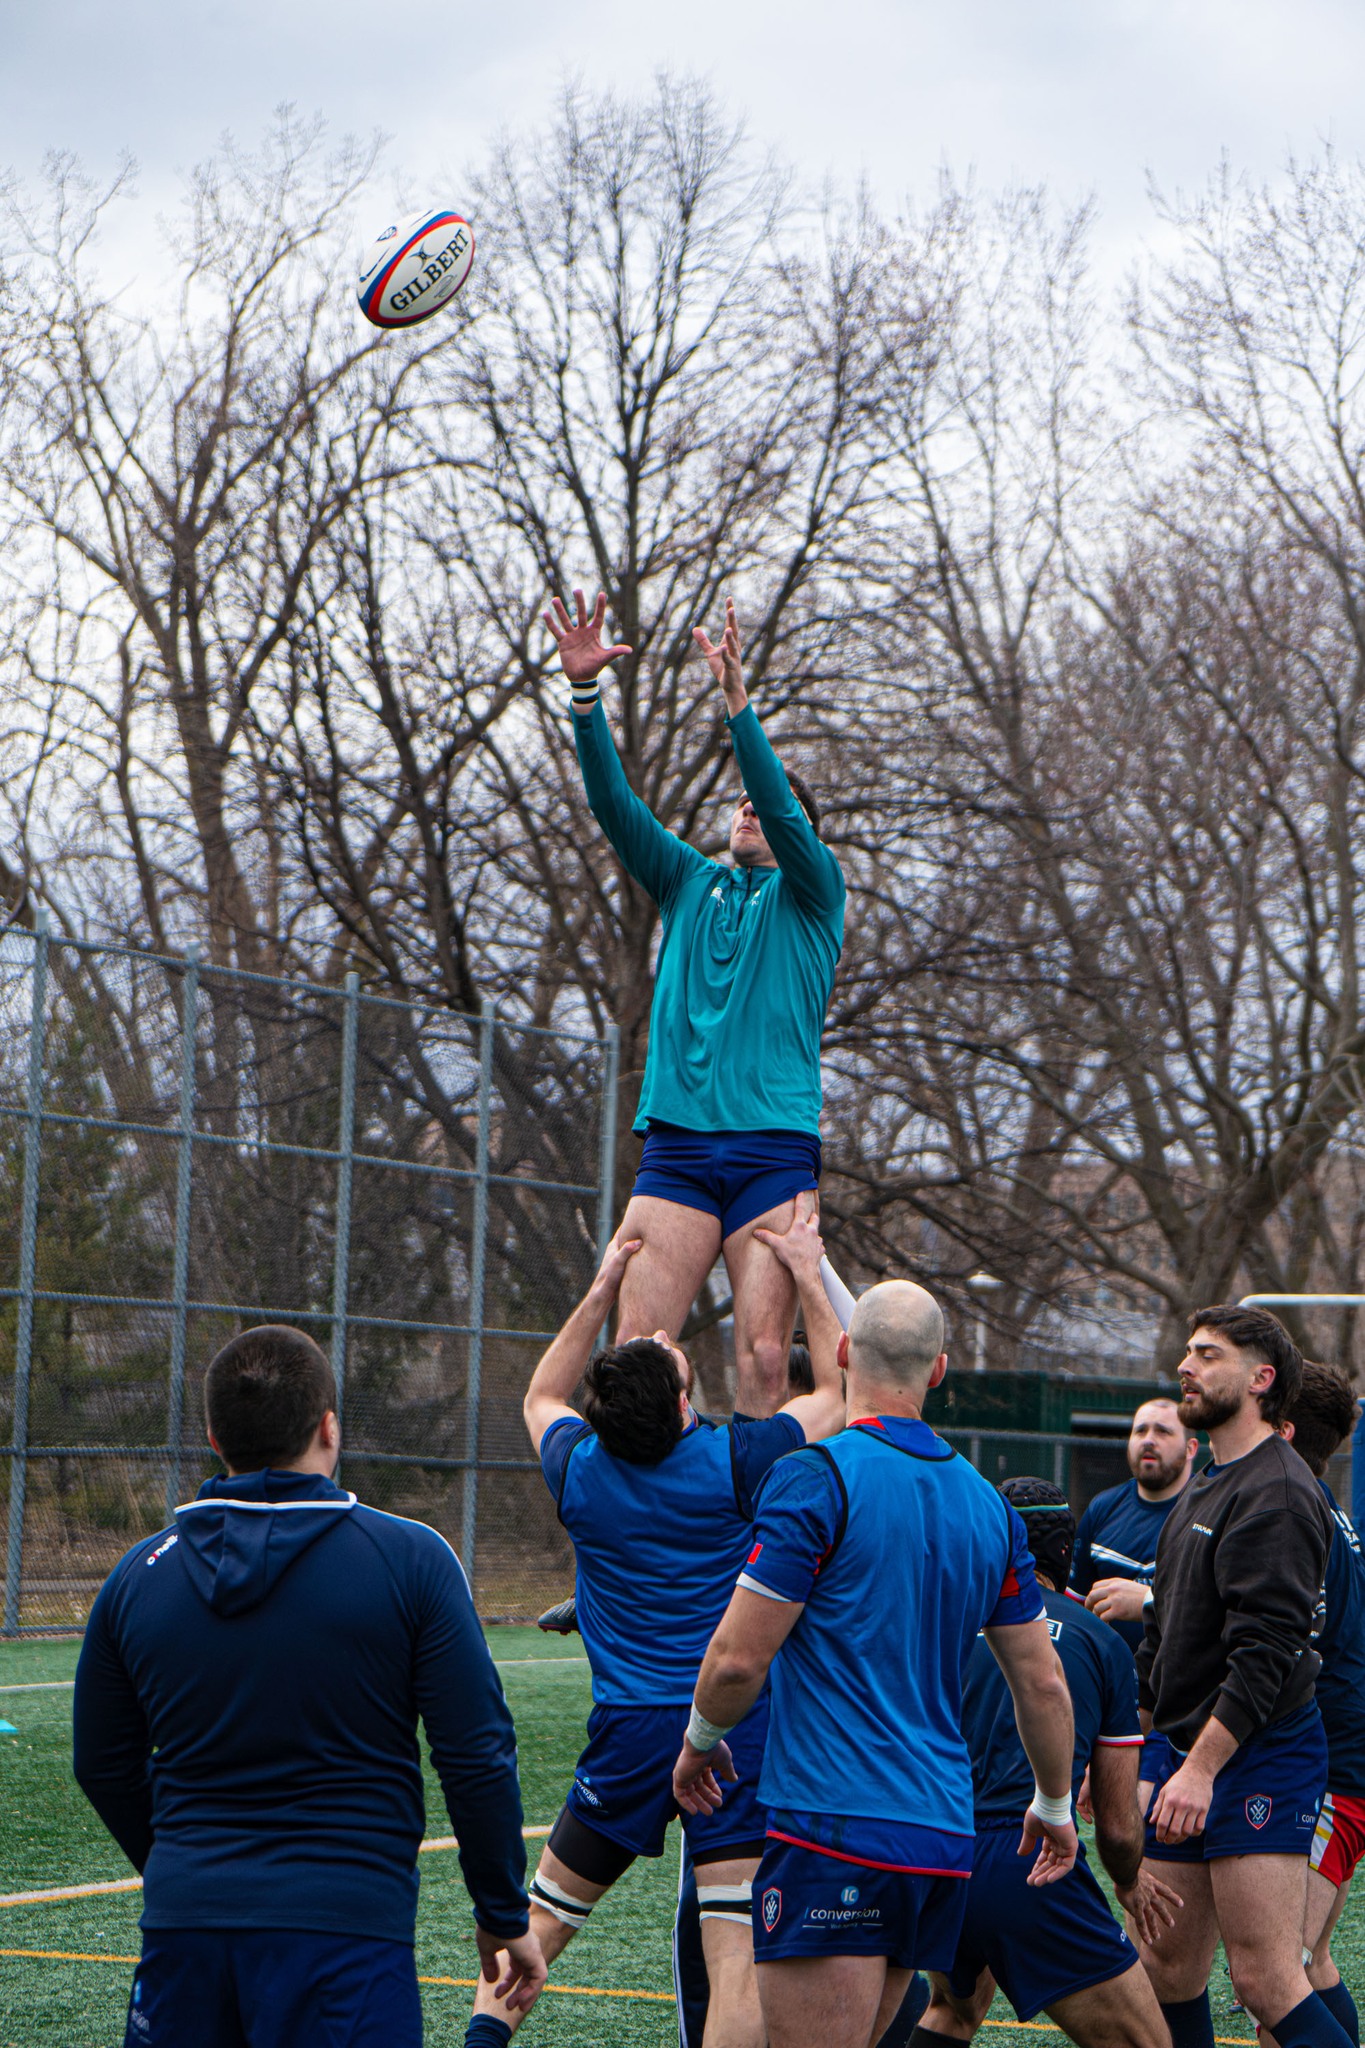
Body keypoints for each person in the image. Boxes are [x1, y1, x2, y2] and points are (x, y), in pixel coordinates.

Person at [72, 1324, 542, 2048]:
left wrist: (189, 1867)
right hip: (345, 1935)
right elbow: (476, 1754)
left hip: (184, 1932)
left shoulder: (136, 1577)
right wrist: (503, 1913)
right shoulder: (411, 1561)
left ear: (212, 1436)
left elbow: (101, 1762)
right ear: (329, 1428)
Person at [468, 1206, 846, 2048]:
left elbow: (540, 1392)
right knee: (734, 1963)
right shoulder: (737, 1462)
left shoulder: (579, 1472)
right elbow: (837, 1393)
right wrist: (807, 1270)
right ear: (682, 1408)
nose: (675, 1343)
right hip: (727, 1735)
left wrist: (602, 1285)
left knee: (536, 1931)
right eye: (676, 1359)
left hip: (630, 1736)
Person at [673, 1278, 1079, 2048]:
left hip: (836, 1828)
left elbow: (734, 1661)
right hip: (937, 1840)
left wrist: (696, 1743)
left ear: (840, 1352)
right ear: (937, 1370)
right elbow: (1041, 1682)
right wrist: (1053, 1806)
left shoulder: (814, 1476)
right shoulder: (988, 1506)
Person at [546, 587, 845, 1416]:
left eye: (765, 805)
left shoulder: (813, 893)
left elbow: (780, 801)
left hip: (772, 1151)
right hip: (677, 1148)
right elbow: (614, 807)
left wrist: (736, 703)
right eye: (740, 802)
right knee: (635, 1356)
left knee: (759, 1359)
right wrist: (582, 696)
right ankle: (647, 1522)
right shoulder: (687, 881)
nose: (750, 808)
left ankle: (755, 1535)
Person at [1134, 1305, 1347, 2048]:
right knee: (1164, 1967)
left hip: (1259, 1756)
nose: (1186, 1366)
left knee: (1262, 1978)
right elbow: (1164, 1636)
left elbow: (1267, 1653)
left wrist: (1197, 1770)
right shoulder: (1204, 1482)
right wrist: (1140, 1751)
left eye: (1207, 1354)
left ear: (1260, 1379)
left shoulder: (1281, 1493)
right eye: (1187, 1351)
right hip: (1186, 1756)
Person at [919, 1476, 1180, 2048]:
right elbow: (1114, 1823)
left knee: (952, 2010)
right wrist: (1129, 1880)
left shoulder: (941, 1624)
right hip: (1027, 1858)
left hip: (935, 1852)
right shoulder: (1100, 1641)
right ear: (1067, 1553)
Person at [1280, 1361, 1365, 2047]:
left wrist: (1152, 1600)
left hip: (1336, 1770)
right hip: (1346, 1765)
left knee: (1280, 1980)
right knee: (1313, 1963)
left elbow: (1289, 1629)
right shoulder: (1324, 1506)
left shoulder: (1298, 1506)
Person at [1071, 1397, 1200, 1810]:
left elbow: (1220, 1614)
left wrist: (1147, 1601)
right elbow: (1072, 1614)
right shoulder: (1102, 1510)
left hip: (1180, 1707)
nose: (1149, 1440)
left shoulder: (1207, 1511)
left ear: (1192, 1448)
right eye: (1140, 1430)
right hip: (1107, 1702)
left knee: (1148, 1817)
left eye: (1163, 1431)